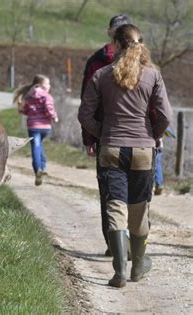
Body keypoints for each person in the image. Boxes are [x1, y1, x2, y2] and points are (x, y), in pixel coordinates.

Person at [78, 24, 172, 288]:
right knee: (139, 210)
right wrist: (151, 135)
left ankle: (119, 271)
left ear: (117, 45)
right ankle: (138, 267)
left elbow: (84, 115)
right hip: (143, 150)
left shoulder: (102, 75)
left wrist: (103, 131)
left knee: (115, 207)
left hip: (110, 149)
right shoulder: (153, 75)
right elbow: (165, 115)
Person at [80, 14, 131, 257]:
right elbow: (86, 104)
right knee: (111, 192)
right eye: (117, 30)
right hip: (107, 137)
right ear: (110, 32)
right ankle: (116, 243)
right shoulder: (95, 63)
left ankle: (127, 244)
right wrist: (90, 137)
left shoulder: (142, 64)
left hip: (130, 138)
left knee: (130, 193)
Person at [14, 74, 58, 186]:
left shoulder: (29, 97)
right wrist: (54, 117)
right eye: (47, 83)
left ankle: (38, 169)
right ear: (41, 85)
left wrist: (20, 108)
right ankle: (41, 168)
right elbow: (49, 110)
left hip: (33, 126)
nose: (49, 86)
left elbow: (25, 111)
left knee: (36, 146)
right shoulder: (47, 97)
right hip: (45, 127)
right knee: (39, 146)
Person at [154, 127, 176, 195]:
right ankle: (159, 184)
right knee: (157, 166)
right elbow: (171, 134)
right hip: (158, 146)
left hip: (146, 145)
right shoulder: (158, 118)